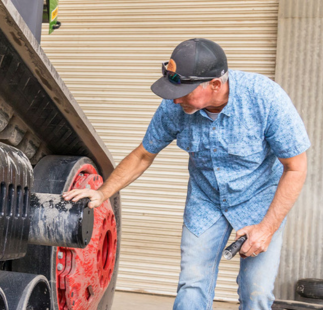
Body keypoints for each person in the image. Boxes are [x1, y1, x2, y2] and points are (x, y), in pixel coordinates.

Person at [63, 38, 310, 310]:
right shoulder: (175, 105)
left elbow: (296, 167)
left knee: (256, 294)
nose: (176, 98)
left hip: (260, 201)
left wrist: (266, 229)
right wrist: (102, 192)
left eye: (186, 92)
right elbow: (143, 154)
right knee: (192, 287)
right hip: (206, 201)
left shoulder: (265, 99)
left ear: (215, 85)